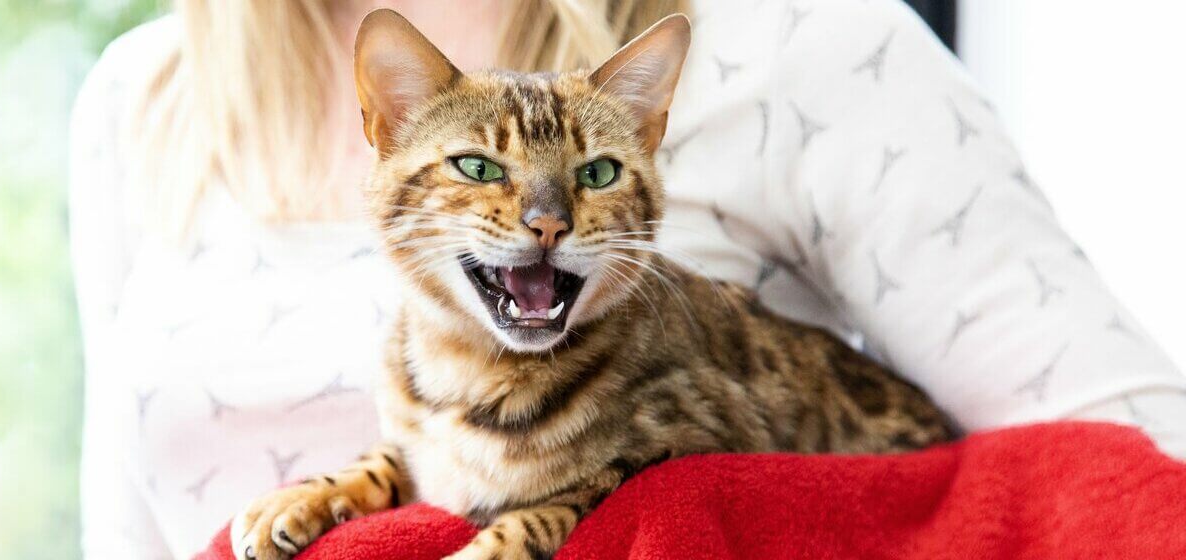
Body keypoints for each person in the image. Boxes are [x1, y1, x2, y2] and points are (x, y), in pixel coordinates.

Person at [68, 0, 1186, 557]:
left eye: (593, 178)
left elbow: (1131, 483)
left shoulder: (805, 40)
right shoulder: (142, 94)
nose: (544, 217)